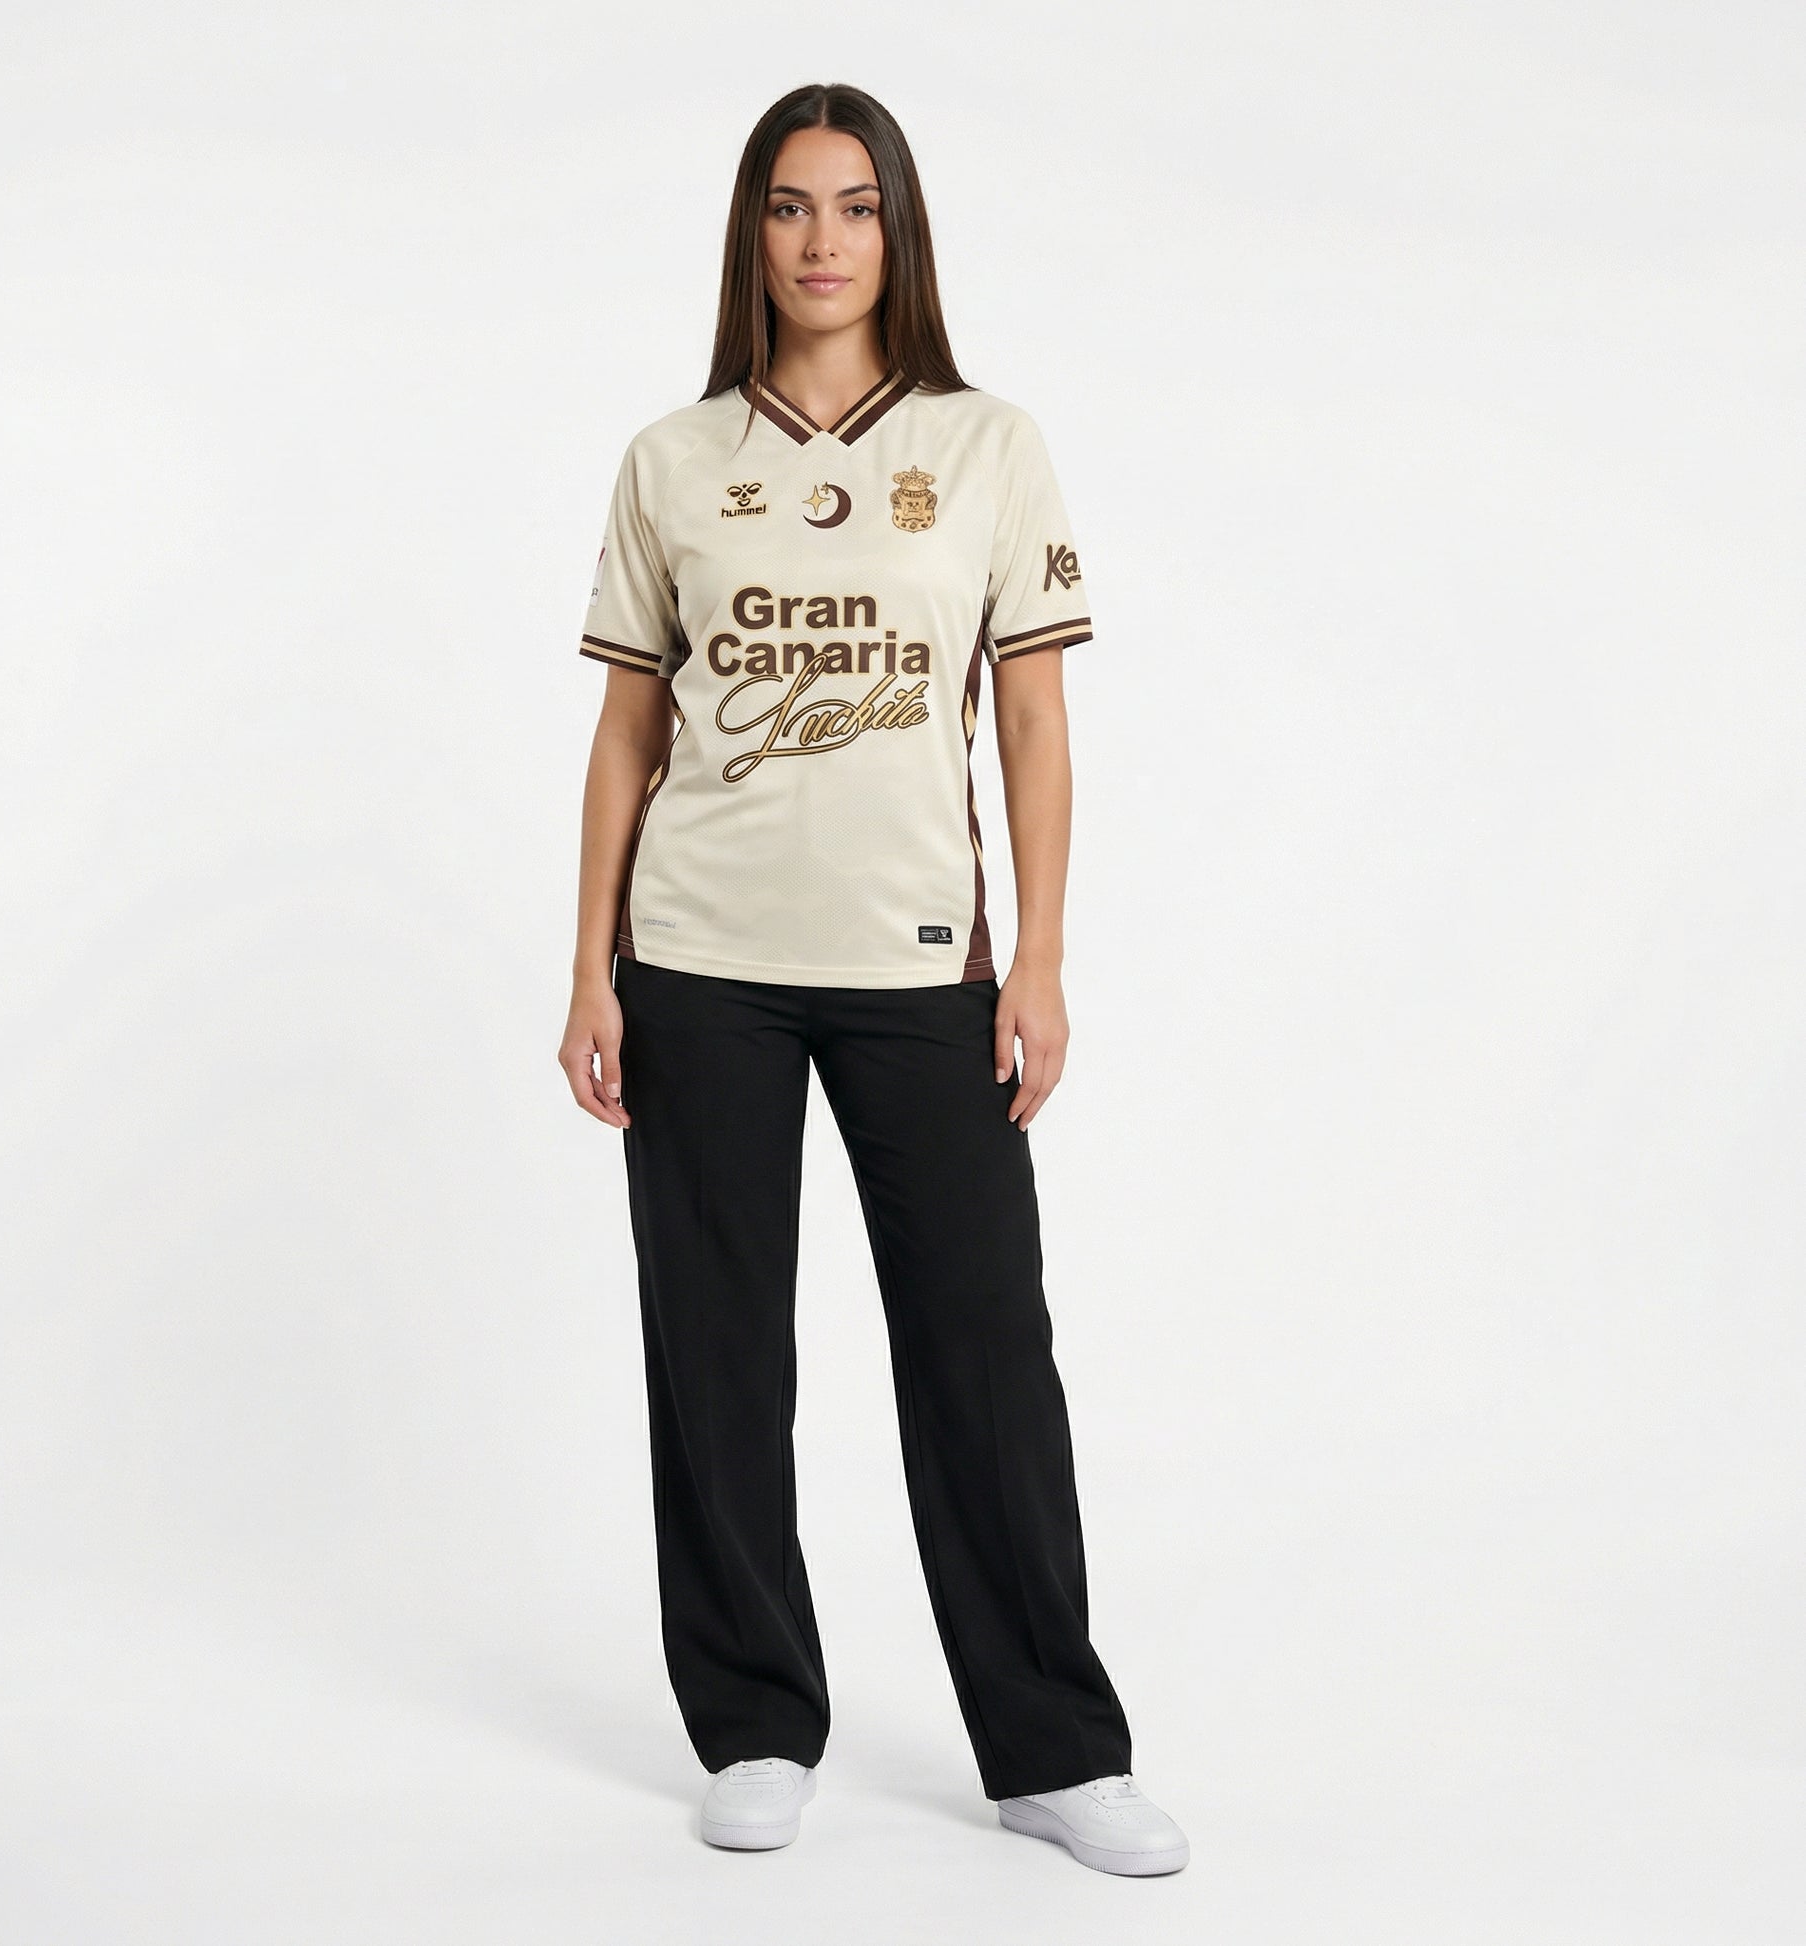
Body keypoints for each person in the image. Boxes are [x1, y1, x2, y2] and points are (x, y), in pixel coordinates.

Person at [557, 81, 1188, 1879]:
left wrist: (1037, 955)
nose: (821, 240)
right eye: (788, 206)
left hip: (921, 965)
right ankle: (755, 1720)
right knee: (715, 1350)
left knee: (983, 1344)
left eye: (854, 206)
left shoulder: (986, 446)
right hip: (698, 963)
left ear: (897, 232)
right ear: (749, 234)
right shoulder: (671, 460)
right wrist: (590, 965)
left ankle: (1053, 1748)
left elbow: (1033, 721)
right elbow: (625, 733)